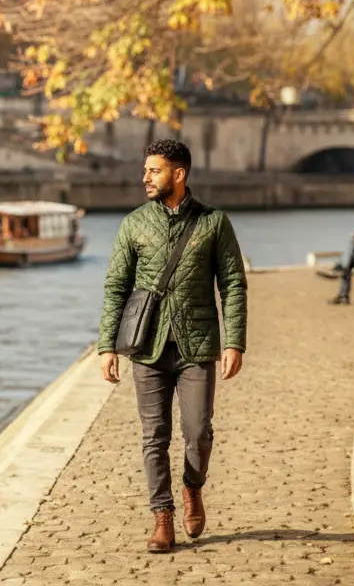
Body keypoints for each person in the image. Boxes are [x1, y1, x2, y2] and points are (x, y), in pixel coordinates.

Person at [98, 139, 248, 554]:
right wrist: (106, 346)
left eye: (154, 170)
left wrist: (234, 341)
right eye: (145, 170)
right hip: (146, 345)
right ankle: (162, 516)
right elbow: (115, 287)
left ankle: (192, 487)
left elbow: (233, 284)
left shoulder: (214, 223)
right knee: (154, 436)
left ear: (178, 175)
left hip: (197, 344)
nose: (145, 177)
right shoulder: (133, 224)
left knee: (198, 433)